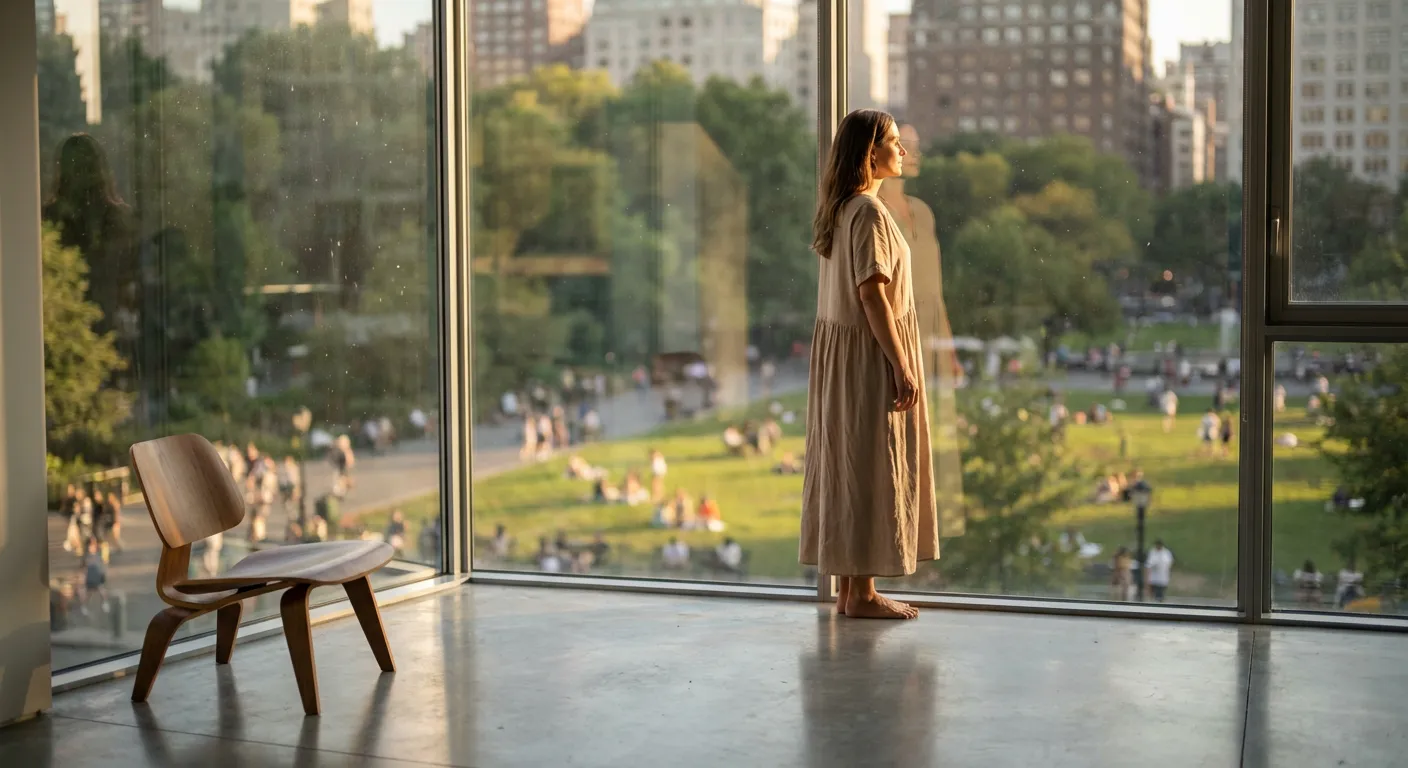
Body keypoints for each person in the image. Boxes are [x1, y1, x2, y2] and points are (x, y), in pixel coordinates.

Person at [801, 109, 935, 620]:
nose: (902, 150)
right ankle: (862, 594)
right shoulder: (869, 213)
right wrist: (901, 364)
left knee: (850, 462)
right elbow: (873, 295)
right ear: (869, 152)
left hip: (844, 358)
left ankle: (850, 589)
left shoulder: (842, 210)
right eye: (894, 141)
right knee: (871, 463)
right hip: (868, 355)